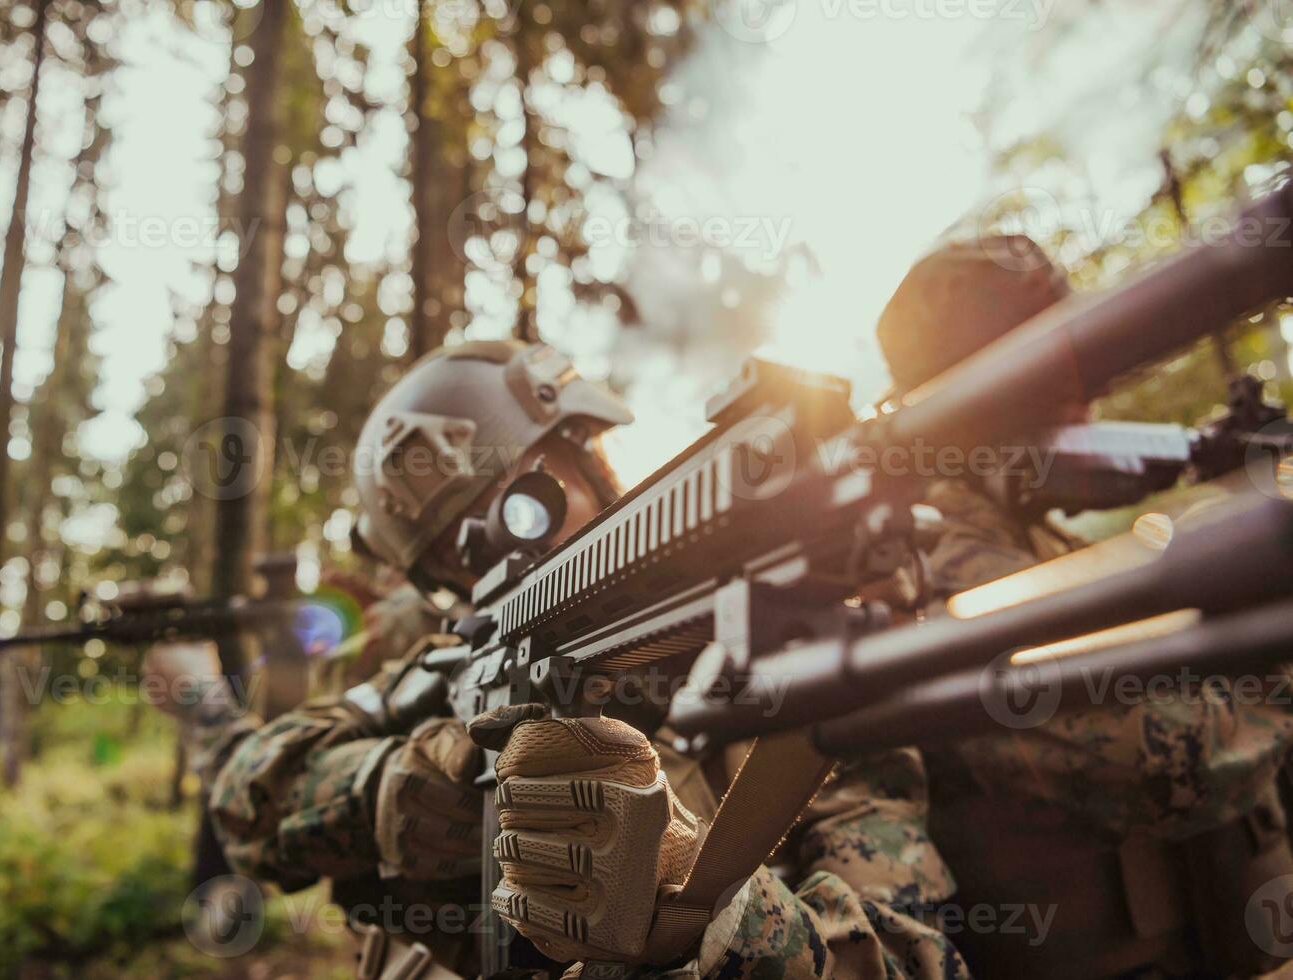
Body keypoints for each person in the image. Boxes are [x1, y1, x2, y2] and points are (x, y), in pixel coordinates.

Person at [146, 340, 968, 979]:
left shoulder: (798, 678)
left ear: (596, 467)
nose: (506, 555)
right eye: (461, 554)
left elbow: (916, 962)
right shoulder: (435, 678)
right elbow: (246, 792)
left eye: (525, 502)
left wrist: (701, 912)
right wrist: (389, 794)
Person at [867, 236, 1293, 978]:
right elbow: (1178, 761)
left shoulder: (1029, 532)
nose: (1090, 394)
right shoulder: (936, 566)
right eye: (1058, 371)